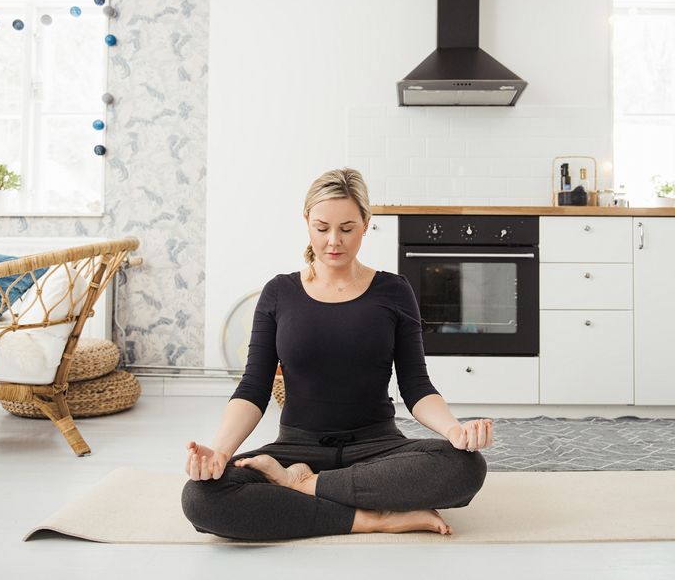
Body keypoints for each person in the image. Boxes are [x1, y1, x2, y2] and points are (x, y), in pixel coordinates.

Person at [181, 168, 493, 541]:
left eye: (347, 229)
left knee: (465, 468)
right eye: (322, 227)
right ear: (306, 222)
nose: (333, 241)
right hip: (296, 446)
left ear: (365, 224)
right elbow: (252, 388)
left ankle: (306, 486)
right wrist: (219, 452)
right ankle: (371, 518)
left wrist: (454, 430)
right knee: (201, 497)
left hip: (378, 446)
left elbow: (416, 385)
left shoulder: (394, 290)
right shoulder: (279, 293)